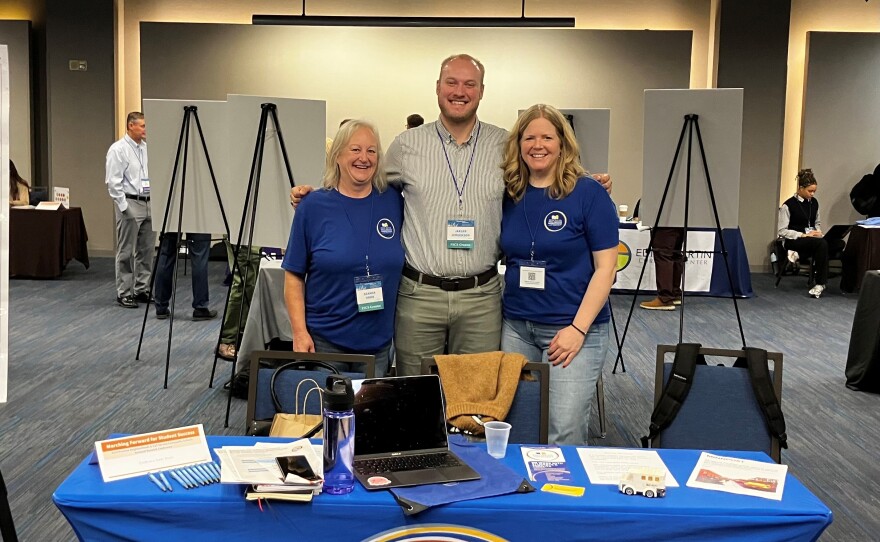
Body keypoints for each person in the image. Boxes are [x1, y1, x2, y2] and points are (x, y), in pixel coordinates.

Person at [291, 54, 612, 376]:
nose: (460, 91)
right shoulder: (406, 146)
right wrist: (318, 197)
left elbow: (540, 178)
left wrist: (586, 181)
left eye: (469, 84)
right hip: (419, 295)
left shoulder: (504, 145)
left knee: (476, 397)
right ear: (438, 88)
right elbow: (362, 181)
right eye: (452, 82)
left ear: (481, 91)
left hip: (481, 298)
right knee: (414, 397)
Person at [499, 104, 618, 446]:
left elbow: (605, 270)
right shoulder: (510, 194)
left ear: (563, 144)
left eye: (547, 137)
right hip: (517, 328)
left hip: (572, 330)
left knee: (562, 431)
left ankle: (560, 498)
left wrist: (578, 329)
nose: (538, 145)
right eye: (530, 137)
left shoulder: (588, 193)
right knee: (518, 425)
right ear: (519, 144)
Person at [282, 120, 404, 377]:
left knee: (369, 415)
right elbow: (294, 275)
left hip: (379, 345)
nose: (364, 158)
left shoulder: (393, 201)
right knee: (327, 415)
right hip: (325, 342)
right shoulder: (312, 206)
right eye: (355, 149)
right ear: (337, 155)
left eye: (371, 151)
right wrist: (299, 332)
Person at [106, 111, 154, 309]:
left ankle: (142, 289)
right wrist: (123, 206)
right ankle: (124, 292)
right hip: (130, 202)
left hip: (149, 201)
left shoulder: (146, 148)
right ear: (130, 126)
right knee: (126, 251)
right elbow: (112, 181)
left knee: (147, 250)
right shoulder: (118, 149)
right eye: (142, 125)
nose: (145, 129)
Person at [777, 168, 840, 298]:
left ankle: (805, 258)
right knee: (821, 245)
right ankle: (820, 283)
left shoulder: (814, 203)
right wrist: (803, 235)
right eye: (810, 191)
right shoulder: (788, 205)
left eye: (814, 191)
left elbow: (817, 222)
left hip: (811, 239)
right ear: (800, 188)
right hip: (794, 239)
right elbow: (782, 231)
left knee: (838, 243)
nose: (812, 194)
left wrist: (817, 232)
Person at [153, 233, 218, 320]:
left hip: (172, 219)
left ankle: (161, 307)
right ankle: (200, 308)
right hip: (199, 220)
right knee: (199, 255)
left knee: (166, 253)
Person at [639, 226, 684, 311]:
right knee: (675, 254)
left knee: (663, 255)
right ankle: (674, 293)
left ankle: (665, 298)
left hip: (664, 222)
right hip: (679, 221)